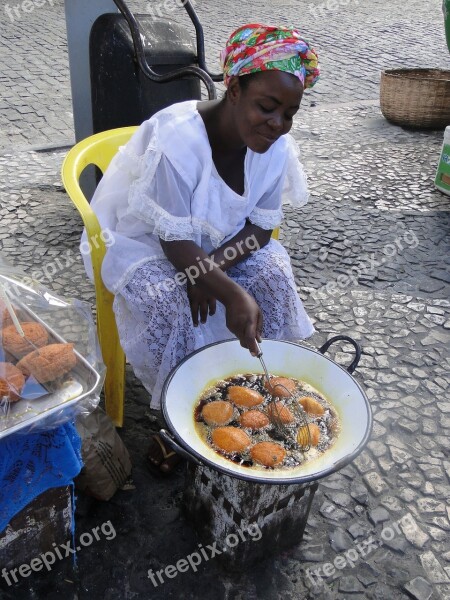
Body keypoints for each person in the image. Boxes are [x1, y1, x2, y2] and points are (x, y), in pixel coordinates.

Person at [81, 23, 320, 473]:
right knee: (169, 299)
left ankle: (258, 388)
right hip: (147, 241)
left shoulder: (276, 147)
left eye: (289, 113)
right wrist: (227, 290)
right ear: (233, 90)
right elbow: (171, 238)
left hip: (216, 245)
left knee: (271, 272)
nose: (277, 124)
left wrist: (212, 271)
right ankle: (180, 411)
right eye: (266, 107)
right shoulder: (179, 140)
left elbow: (261, 230)